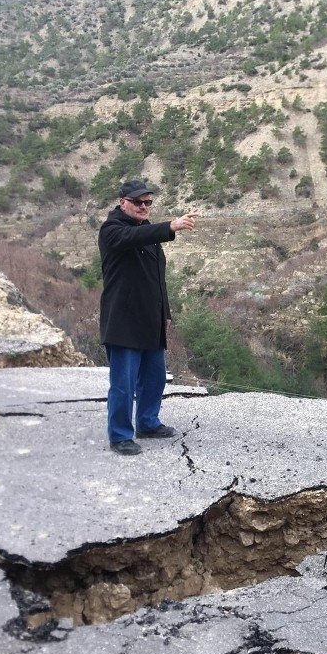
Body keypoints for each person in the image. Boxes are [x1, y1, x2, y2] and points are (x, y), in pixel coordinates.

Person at [99, 178, 198, 455]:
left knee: (154, 376)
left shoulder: (148, 233)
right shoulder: (112, 230)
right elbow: (132, 238)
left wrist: (165, 311)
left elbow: (158, 279)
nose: (144, 207)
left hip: (150, 318)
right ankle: (119, 435)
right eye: (137, 202)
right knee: (124, 383)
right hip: (123, 320)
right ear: (122, 203)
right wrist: (169, 226)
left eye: (148, 202)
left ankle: (147, 422)